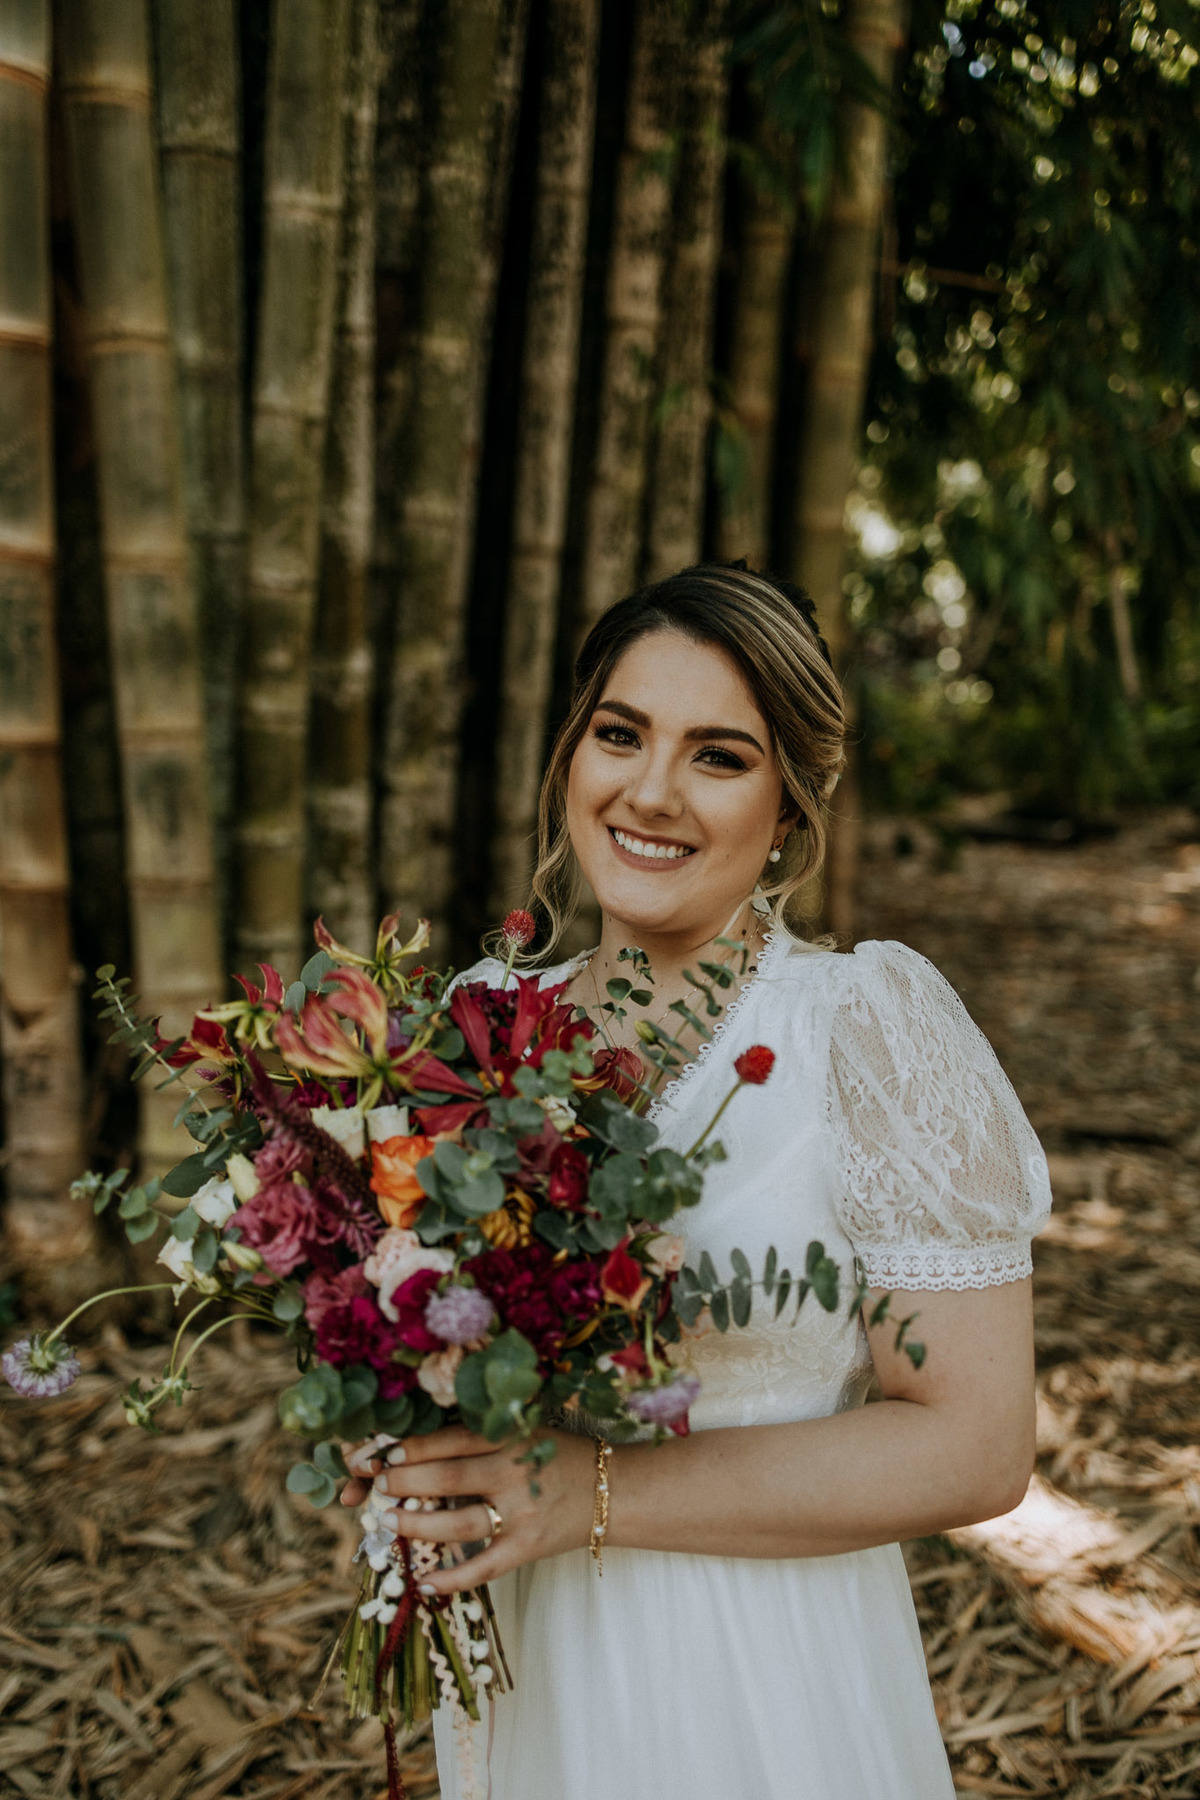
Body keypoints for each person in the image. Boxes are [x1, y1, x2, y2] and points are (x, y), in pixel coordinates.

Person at [341, 563, 1052, 1799]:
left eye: (718, 756)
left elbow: (978, 1446)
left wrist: (590, 1493)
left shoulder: (864, 1030)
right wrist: (399, 1420)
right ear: (573, 751)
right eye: (621, 734)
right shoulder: (474, 1023)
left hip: (763, 1674)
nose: (652, 791)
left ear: (789, 807)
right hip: (532, 1659)